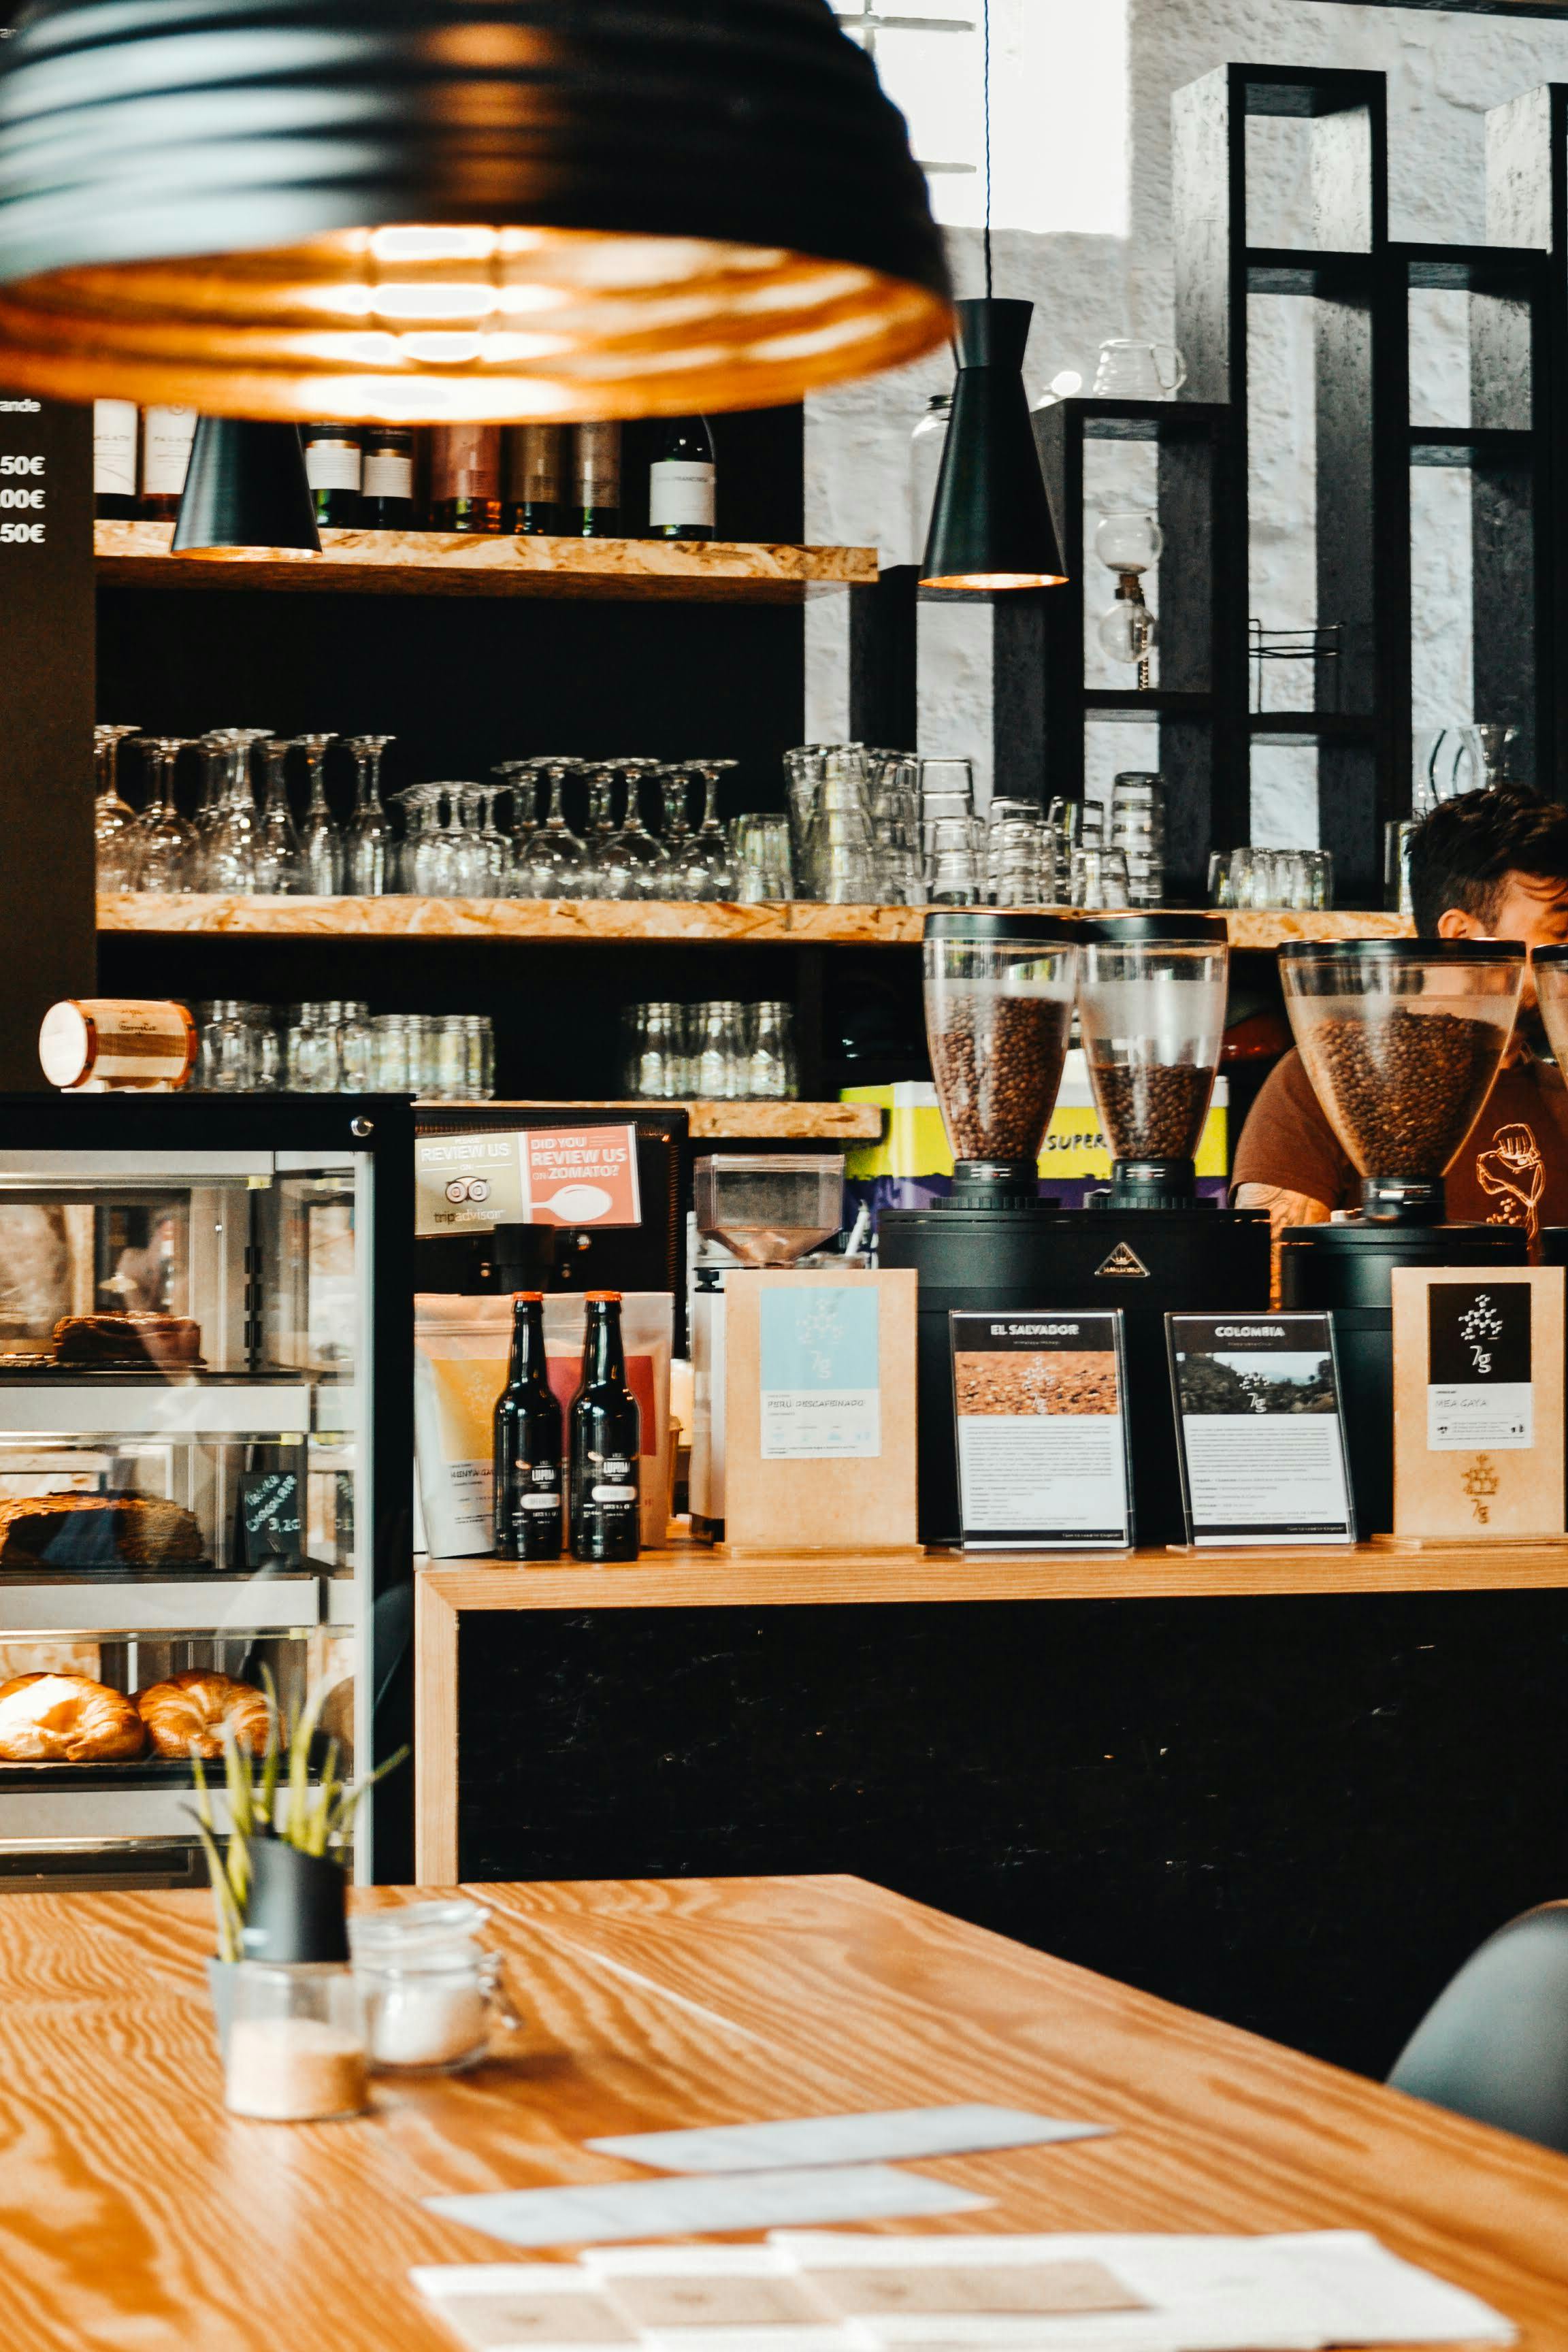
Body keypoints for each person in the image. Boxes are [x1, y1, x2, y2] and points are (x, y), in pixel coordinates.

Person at [1231, 786, 1568, 1255]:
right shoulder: (1327, 1081)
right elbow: (1270, 1295)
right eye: (1560, 932)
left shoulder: (1558, 1094)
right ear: (1462, 938)